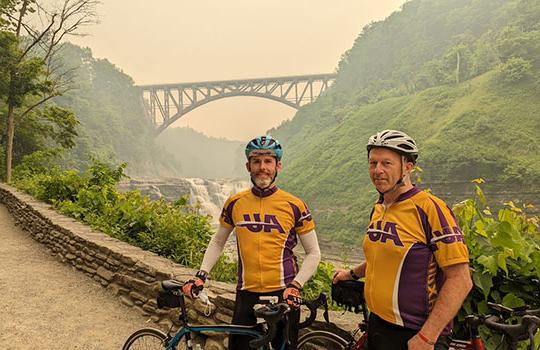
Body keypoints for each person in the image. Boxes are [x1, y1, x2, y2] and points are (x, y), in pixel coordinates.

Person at [333, 130, 473, 350]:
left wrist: (427, 337)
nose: (377, 170)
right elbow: (383, 257)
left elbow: (461, 279)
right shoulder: (379, 207)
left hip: (415, 334)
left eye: (386, 163)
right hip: (378, 325)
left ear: (408, 166)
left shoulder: (430, 208)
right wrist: (351, 274)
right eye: (373, 163)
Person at [183, 135, 321, 350]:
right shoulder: (235, 203)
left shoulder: (295, 205)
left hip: (284, 294)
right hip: (247, 294)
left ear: (278, 166)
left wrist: (296, 286)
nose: (262, 168)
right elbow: (219, 241)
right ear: (248, 166)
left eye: (268, 161)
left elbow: (313, 253)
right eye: (256, 161)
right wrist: (201, 274)